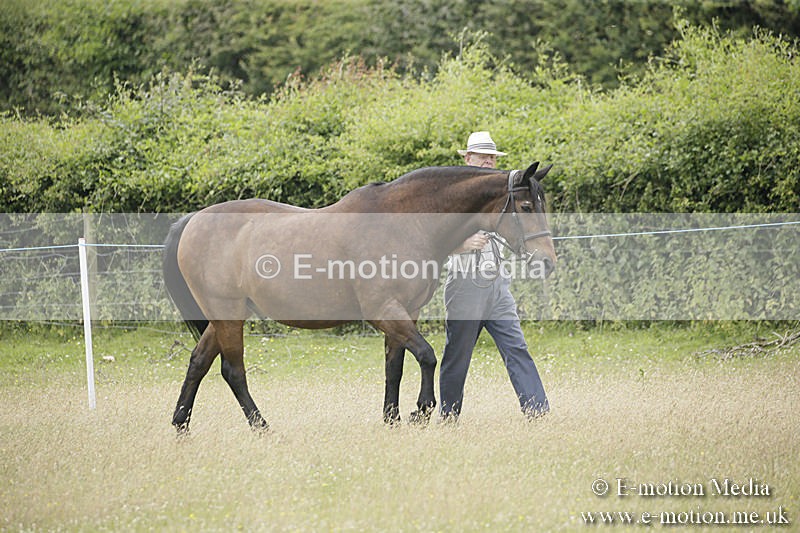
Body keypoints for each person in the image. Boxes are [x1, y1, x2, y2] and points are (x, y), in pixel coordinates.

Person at [439, 131, 550, 420]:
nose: (488, 161)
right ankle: (449, 416)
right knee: (457, 357)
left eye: (491, 156)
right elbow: (432, 240)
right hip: (464, 286)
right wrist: (461, 245)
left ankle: (538, 413)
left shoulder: (500, 193)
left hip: (497, 286)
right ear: (468, 158)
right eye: (482, 155)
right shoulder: (453, 195)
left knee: (517, 348)